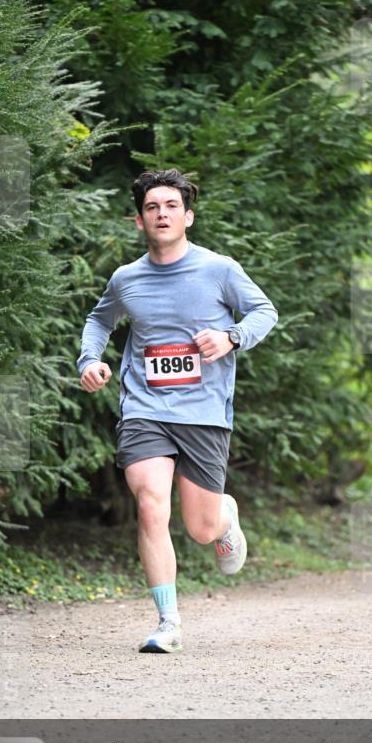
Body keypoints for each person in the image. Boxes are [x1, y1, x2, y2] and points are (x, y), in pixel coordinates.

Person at [77, 168, 278, 653]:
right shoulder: (126, 279)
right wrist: (90, 360)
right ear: (139, 221)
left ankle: (224, 518)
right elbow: (98, 320)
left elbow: (264, 312)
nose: (161, 214)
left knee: (200, 527)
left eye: (170, 206)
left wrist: (231, 337)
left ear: (187, 216)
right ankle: (168, 622)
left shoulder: (218, 269)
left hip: (204, 412)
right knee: (150, 505)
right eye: (152, 207)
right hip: (145, 406)